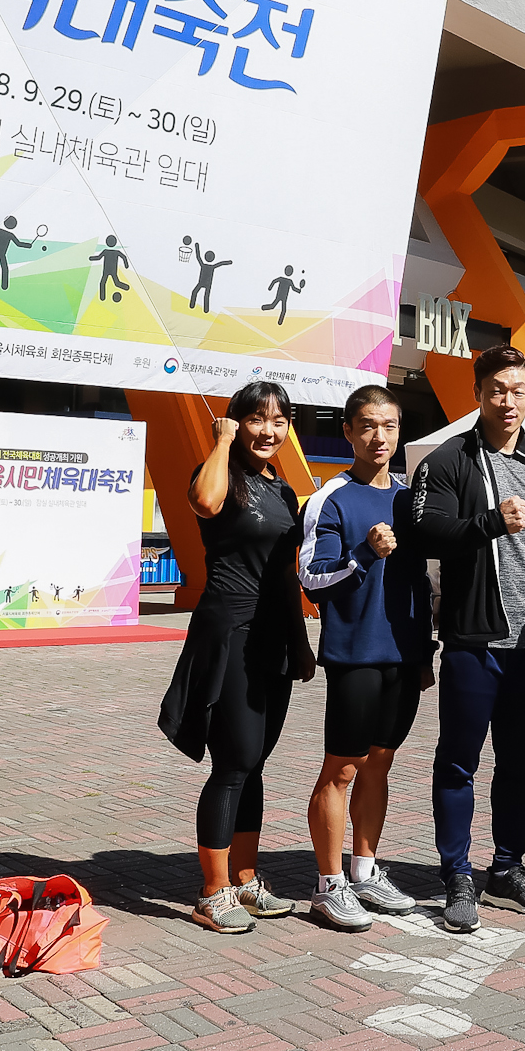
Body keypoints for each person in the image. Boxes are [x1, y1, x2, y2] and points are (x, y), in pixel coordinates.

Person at [402, 344, 525, 934]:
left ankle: (508, 866)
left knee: (519, 762)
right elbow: (425, 530)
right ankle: (456, 872)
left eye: (518, 391)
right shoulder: (448, 460)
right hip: (474, 642)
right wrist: (488, 522)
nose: (507, 402)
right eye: (496, 390)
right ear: (478, 394)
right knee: (458, 762)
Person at [158, 382, 318, 935]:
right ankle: (212, 891)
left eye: (278, 420)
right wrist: (221, 443)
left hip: (274, 635)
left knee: (256, 764)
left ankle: (246, 877)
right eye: (255, 419)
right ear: (235, 423)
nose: (267, 431)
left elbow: (284, 573)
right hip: (230, 630)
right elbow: (202, 502)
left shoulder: (283, 489)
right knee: (233, 762)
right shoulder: (223, 476)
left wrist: (299, 642)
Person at [298, 386, 436, 931]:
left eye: (390, 426)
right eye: (368, 426)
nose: (380, 437)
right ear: (350, 433)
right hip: (354, 655)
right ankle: (327, 884)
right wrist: (361, 553)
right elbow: (312, 579)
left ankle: (365, 870)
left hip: (403, 656)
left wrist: (424, 653)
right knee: (343, 768)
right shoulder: (330, 497)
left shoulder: (409, 498)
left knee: (381, 762)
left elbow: (421, 586)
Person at [0, 215, 37, 290]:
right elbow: (18, 244)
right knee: (3, 268)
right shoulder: (10, 235)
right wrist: (28, 245)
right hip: (1, 253)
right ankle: (3, 285)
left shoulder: (0, 231)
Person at [187, 241, 232, 312]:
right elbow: (220, 263)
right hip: (207, 283)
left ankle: (196, 306)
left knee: (196, 292)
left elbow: (198, 257)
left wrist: (197, 247)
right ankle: (204, 309)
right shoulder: (211, 267)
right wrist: (228, 262)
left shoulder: (204, 266)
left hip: (203, 282)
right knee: (204, 295)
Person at [90, 235, 132, 301]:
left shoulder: (107, 251)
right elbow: (124, 257)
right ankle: (102, 297)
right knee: (113, 283)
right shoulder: (114, 252)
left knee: (105, 283)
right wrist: (126, 265)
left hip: (108, 271)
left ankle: (103, 297)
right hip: (110, 271)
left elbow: (98, 257)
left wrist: (91, 258)